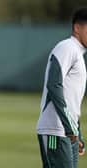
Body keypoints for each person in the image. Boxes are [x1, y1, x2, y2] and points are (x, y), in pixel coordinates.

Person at [37, 7, 87, 168]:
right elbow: (54, 85)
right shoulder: (67, 47)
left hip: (67, 131)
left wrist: (77, 132)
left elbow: (71, 98)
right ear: (77, 28)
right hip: (56, 130)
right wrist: (69, 127)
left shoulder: (78, 53)